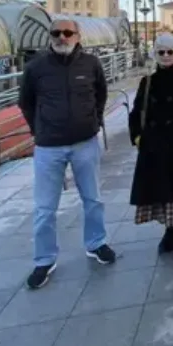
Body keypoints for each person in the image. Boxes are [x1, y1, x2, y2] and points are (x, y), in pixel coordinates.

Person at [17, 19, 116, 290]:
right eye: (56, 33)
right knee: (45, 208)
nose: (62, 37)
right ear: (50, 36)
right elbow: (25, 102)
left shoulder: (91, 64)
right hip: (49, 147)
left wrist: (93, 121)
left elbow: (101, 95)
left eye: (67, 32)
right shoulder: (36, 67)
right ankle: (44, 259)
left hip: (85, 142)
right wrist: (39, 130)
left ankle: (96, 243)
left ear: (77, 35)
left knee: (93, 199)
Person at [128, 33, 173, 262]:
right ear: (155, 55)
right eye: (161, 52)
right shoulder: (147, 82)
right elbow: (137, 112)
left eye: (170, 51)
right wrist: (138, 138)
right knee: (161, 193)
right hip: (152, 146)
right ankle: (169, 234)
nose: (166, 56)